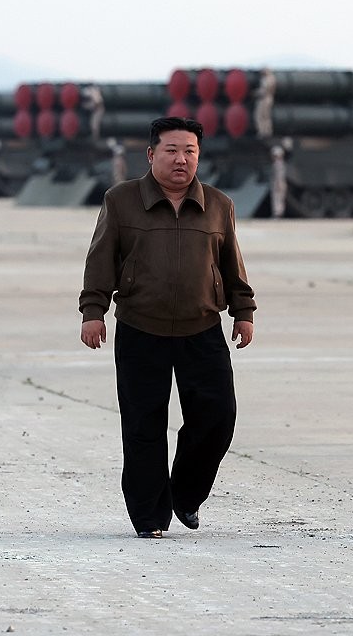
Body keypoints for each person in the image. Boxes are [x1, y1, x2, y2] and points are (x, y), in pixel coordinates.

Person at [79, 116, 256, 538]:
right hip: (142, 328)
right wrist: (93, 311)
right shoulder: (121, 201)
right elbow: (101, 257)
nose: (181, 160)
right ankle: (149, 518)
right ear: (151, 154)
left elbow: (232, 262)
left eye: (190, 152)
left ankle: (185, 495)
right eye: (172, 150)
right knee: (143, 426)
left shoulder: (218, 204)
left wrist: (243, 311)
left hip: (202, 328)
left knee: (217, 418)